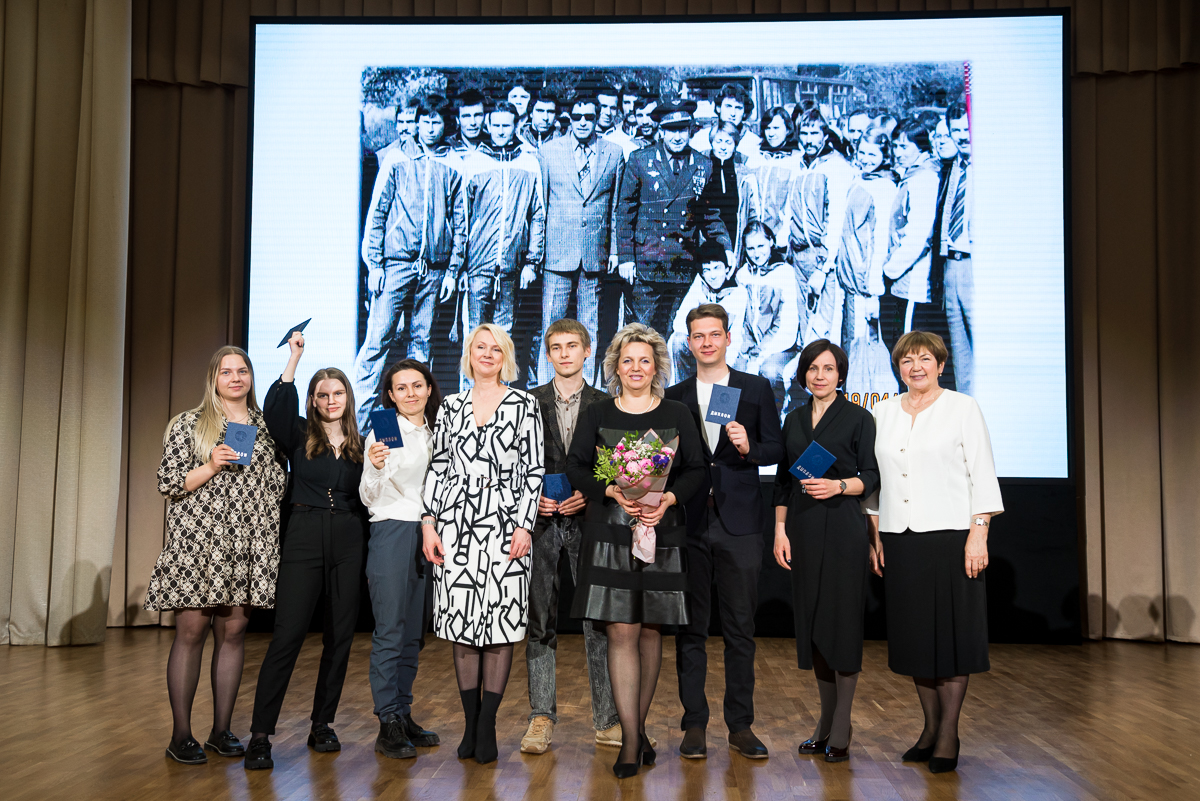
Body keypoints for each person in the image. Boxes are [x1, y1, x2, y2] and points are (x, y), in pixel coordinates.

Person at [566, 323, 706, 777]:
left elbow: (697, 470)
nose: (636, 368)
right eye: (627, 360)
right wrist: (610, 489)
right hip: (610, 533)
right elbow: (576, 466)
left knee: (649, 632)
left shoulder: (678, 413)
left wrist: (668, 498)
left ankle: (637, 729)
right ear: (615, 367)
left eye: (645, 360)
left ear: (657, 366)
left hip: (662, 533)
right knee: (622, 632)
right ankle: (630, 740)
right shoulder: (597, 413)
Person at [865, 330, 1003, 773]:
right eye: (907, 360)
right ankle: (928, 728)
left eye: (925, 359)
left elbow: (983, 474)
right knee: (915, 639)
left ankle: (948, 734)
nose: (916, 367)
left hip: (951, 539)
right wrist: (876, 535)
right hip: (901, 539)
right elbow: (876, 481)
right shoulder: (882, 412)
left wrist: (979, 534)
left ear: (941, 365)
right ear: (898, 368)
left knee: (953, 639)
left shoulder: (963, 407)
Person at [146, 346, 286, 765]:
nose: (236, 378)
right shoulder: (189, 423)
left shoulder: (266, 426)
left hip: (245, 545)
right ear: (214, 379)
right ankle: (180, 736)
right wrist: (210, 465)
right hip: (199, 544)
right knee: (191, 633)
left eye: (242, 371)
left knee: (234, 633)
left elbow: (276, 483)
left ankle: (221, 731)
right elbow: (168, 482)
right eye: (227, 372)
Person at [421, 324, 545, 764]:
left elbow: (534, 470)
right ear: (469, 354)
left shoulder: (525, 405)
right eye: (480, 347)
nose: (488, 354)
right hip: (454, 527)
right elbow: (437, 467)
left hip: (506, 528)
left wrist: (525, 525)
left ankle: (487, 724)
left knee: (499, 626)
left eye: (496, 348)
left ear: (505, 356)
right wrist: (429, 522)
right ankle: (470, 723)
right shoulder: (450, 406)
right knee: (462, 628)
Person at [666, 304, 784, 761]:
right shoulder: (674, 396)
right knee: (690, 629)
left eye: (715, 334)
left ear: (729, 338)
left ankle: (740, 725)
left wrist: (750, 447)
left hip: (740, 524)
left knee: (740, 630)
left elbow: (776, 448)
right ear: (689, 342)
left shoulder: (754, 388)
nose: (707, 342)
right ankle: (694, 724)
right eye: (699, 336)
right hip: (690, 522)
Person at [245, 335, 366, 771]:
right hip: (304, 533)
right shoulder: (299, 433)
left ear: (348, 398)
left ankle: (323, 724)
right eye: (323, 394)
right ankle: (260, 735)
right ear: (313, 400)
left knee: (340, 637)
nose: (331, 400)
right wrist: (294, 360)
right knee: (288, 636)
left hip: (350, 536)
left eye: (338, 393)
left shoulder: (363, 442)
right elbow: (274, 411)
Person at [772, 340, 879, 763]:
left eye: (829, 368)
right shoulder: (794, 419)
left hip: (843, 528)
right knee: (814, 625)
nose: (820, 375)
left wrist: (838, 485)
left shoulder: (858, 417)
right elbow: (783, 482)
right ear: (803, 374)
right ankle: (825, 722)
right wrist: (780, 531)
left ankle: (842, 725)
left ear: (841, 375)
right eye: (813, 368)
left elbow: (871, 476)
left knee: (842, 624)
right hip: (802, 527)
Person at [520, 319, 623, 755]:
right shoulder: (527, 402)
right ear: (548, 355)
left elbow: (616, 460)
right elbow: (515, 460)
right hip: (541, 522)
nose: (564, 354)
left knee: (597, 621)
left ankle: (608, 720)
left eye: (572, 346)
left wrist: (591, 490)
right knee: (539, 621)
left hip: (589, 519)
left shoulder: (606, 403)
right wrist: (532, 498)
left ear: (587, 350)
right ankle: (541, 717)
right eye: (557, 347)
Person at [357, 94, 466, 429]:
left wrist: (452, 270)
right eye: (425, 121)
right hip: (395, 265)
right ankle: (358, 429)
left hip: (433, 271)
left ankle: (411, 428)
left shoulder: (453, 163)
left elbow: (460, 221)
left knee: (421, 347)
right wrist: (375, 264)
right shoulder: (397, 159)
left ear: (445, 124)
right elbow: (377, 213)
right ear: (416, 124)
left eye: (437, 121)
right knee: (377, 343)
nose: (431, 127)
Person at [359, 359, 443, 759]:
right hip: (393, 530)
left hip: (430, 534)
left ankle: (403, 712)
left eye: (417, 385)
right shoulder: (385, 428)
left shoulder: (440, 429)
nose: (411, 393)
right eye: (402, 388)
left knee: (414, 634)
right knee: (391, 630)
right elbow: (369, 495)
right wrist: (375, 468)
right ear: (390, 395)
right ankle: (387, 721)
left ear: (429, 388)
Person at [616, 98, 733, 337]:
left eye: (682, 129)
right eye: (671, 130)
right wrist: (626, 257)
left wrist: (725, 247)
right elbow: (625, 211)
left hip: (683, 263)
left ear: (691, 130)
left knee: (675, 332)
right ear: (661, 130)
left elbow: (709, 214)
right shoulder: (640, 160)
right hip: (648, 263)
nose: (677, 137)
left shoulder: (703, 165)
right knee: (642, 334)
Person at [535, 96, 625, 384]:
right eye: (577, 117)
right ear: (569, 118)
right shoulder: (549, 152)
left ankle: (587, 390)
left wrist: (614, 250)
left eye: (589, 117)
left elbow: (615, 207)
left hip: (594, 253)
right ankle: (546, 388)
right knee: (552, 325)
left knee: (590, 327)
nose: (583, 122)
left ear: (598, 118)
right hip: (557, 253)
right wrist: (538, 253)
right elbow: (541, 206)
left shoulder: (613, 153)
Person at [459, 101, 545, 343]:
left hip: (511, 266)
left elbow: (537, 215)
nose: (500, 131)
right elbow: (462, 217)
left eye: (506, 125)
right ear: (488, 125)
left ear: (516, 126)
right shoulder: (474, 162)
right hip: (477, 265)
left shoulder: (528, 163)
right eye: (495, 125)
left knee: (504, 334)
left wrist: (531, 262)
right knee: (474, 334)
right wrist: (461, 265)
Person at [837, 128, 901, 399]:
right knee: (852, 348)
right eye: (862, 152)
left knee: (865, 354)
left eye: (873, 154)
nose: (865, 158)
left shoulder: (884, 187)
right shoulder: (859, 179)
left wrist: (873, 292)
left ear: (885, 155)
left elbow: (880, 241)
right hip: (850, 281)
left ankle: (866, 409)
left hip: (864, 285)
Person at [789, 108, 858, 347]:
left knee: (824, 327)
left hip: (821, 258)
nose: (808, 139)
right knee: (804, 325)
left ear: (825, 135)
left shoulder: (836, 167)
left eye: (814, 133)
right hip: (798, 256)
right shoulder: (800, 165)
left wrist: (823, 267)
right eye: (804, 133)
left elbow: (836, 219)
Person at [879, 120, 939, 355]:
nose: (898, 152)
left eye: (904, 146)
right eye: (895, 146)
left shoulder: (924, 178)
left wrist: (890, 268)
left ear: (921, 146)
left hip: (913, 280)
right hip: (902, 279)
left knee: (909, 350)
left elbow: (919, 235)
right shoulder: (912, 175)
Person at [734, 221, 802, 411]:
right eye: (751, 248)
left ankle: (773, 420)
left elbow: (787, 327)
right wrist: (741, 351)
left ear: (771, 242)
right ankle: (719, 424)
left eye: (761, 246)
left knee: (769, 372)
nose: (757, 253)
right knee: (727, 371)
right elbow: (740, 321)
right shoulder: (743, 276)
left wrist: (760, 355)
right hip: (750, 345)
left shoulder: (785, 273)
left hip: (780, 347)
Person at [935, 101, 974, 395]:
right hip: (951, 263)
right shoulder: (954, 168)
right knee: (960, 351)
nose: (962, 136)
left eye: (966, 129)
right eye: (956, 130)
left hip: (975, 264)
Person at [666, 242, 748, 382]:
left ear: (727, 269)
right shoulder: (700, 285)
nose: (713, 275)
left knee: (723, 391)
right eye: (707, 270)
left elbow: (733, 337)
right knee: (678, 340)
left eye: (717, 268)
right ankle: (684, 390)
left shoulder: (738, 292)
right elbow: (679, 322)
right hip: (703, 346)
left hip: (730, 352)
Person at [745, 107, 802, 255]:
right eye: (767, 128)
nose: (771, 133)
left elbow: (794, 203)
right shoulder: (756, 156)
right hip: (754, 235)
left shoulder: (795, 160)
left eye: (776, 128)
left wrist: (785, 231)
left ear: (788, 129)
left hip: (780, 236)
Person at [705, 121, 761, 267]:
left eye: (728, 142)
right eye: (719, 141)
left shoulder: (745, 175)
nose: (723, 147)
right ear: (712, 143)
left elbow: (753, 213)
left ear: (735, 145)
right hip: (708, 238)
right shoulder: (701, 170)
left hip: (736, 238)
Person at [691, 82, 761, 159]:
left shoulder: (754, 142)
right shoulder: (701, 138)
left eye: (738, 108)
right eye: (728, 106)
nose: (733, 113)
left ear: (744, 113)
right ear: (718, 108)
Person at [450, 88, 487, 154]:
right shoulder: (448, 147)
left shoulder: (493, 145)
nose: (473, 122)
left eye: (478, 115)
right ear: (457, 120)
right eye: (466, 116)